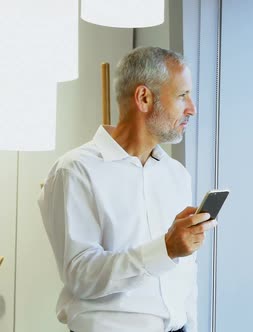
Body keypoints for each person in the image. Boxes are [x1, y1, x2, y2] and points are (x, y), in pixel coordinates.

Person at [37, 46, 216, 332]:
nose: (192, 108)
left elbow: (185, 274)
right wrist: (165, 249)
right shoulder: (75, 170)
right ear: (144, 98)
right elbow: (81, 275)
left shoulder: (176, 175)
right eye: (182, 95)